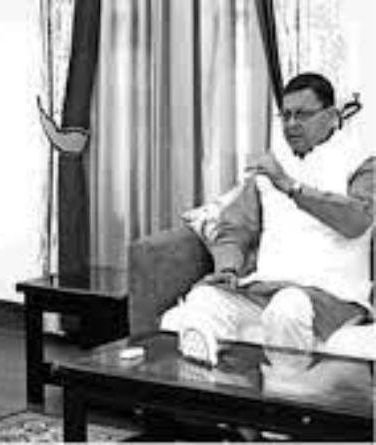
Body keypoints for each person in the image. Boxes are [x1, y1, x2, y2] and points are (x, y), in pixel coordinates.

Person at [161, 73, 375, 356]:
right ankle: (205, 375)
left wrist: (291, 187)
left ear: (332, 117)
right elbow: (234, 227)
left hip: (332, 297)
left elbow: (359, 220)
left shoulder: (362, 162)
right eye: (285, 116)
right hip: (265, 288)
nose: (291, 124)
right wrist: (228, 268)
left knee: (287, 308)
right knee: (203, 300)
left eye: (302, 115)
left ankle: (282, 384)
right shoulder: (270, 166)